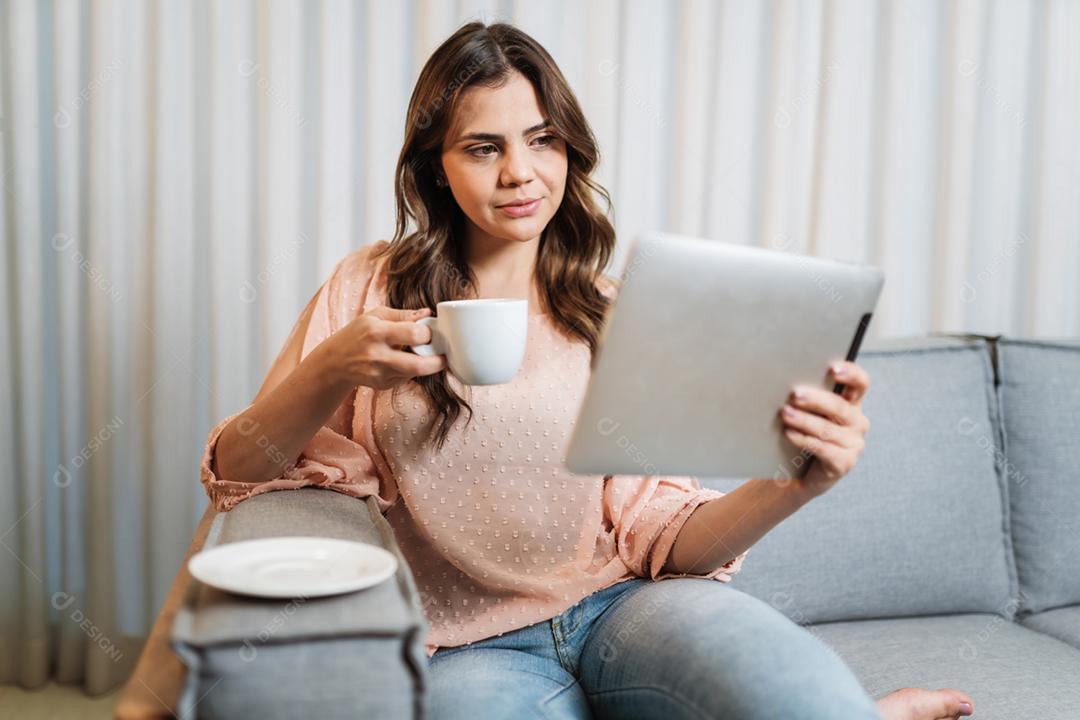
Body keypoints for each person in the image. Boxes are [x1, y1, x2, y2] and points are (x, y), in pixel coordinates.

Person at [201, 20, 975, 720]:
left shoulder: (609, 309)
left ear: (569, 149)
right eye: (483, 146)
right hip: (468, 655)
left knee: (799, 695)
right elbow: (238, 473)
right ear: (436, 167)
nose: (520, 173)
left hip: (628, 609)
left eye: (542, 140)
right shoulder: (370, 289)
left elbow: (667, 540)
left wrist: (793, 485)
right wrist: (330, 370)